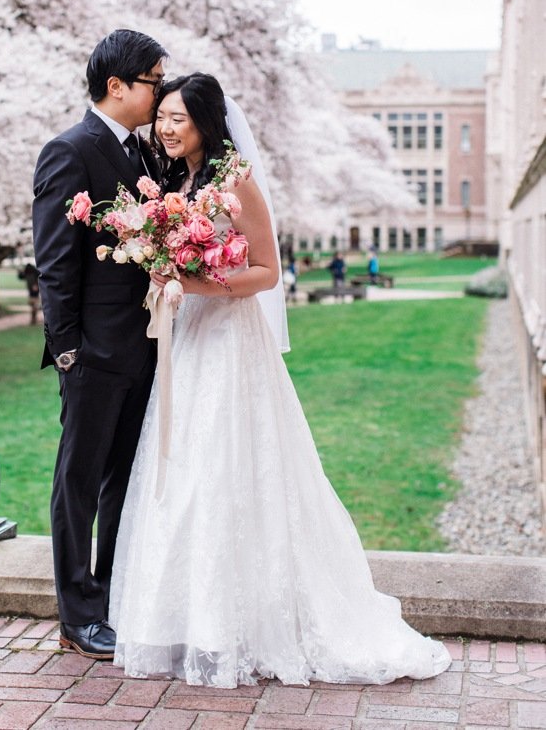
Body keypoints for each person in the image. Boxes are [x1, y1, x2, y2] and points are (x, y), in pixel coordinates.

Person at [110, 72, 449, 687]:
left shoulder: (234, 180)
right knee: (184, 467)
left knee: (229, 466)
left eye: (177, 118)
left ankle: (248, 624)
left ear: (206, 123)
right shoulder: (176, 183)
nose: (164, 127)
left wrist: (193, 283)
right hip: (187, 343)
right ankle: (193, 617)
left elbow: (266, 272)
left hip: (231, 342)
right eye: (161, 117)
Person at [30, 28, 167, 660]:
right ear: (117, 86)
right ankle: (77, 613)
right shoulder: (70, 151)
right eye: (154, 82)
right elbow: (55, 262)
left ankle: (111, 598)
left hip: (142, 347)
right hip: (90, 353)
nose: (161, 94)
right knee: (77, 482)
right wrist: (67, 350)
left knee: (123, 480)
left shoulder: (143, 156)